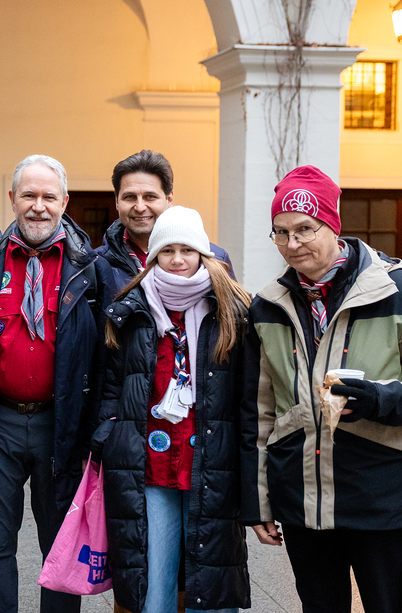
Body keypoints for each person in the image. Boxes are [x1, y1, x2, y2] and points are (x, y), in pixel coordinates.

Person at [241, 165, 402, 613]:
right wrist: (257, 501)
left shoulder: (398, 290)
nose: (292, 244)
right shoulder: (266, 306)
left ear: (332, 225)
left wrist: (380, 399)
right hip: (301, 500)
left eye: (305, 229)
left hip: (381, 498)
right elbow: (258, 413)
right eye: (281, 232)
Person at [0, 154, 113, 613]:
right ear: (12, 198)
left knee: (60, 544)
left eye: (49, 197)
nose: (38, 206)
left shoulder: (90, 269)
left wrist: (94, 433)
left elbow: (105, 359)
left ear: (64, 201)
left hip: (61, 426)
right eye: (29, 195)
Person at [92, 206, 251, 613]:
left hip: (211, 463)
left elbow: (247, 394)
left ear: (202, 253)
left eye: (187, 250)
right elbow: (111, 384)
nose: (177, 260)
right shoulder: (130, 309)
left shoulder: (232, 309)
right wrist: (108, 437)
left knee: (210, 579)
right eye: (167, 251)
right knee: (152, 581)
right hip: (150, 463)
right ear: (153, 257)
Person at [96, 150, 233, 289]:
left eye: (150, 197)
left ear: (169, 199)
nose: (140, 207)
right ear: (117, 202)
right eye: (129, 197)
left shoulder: (216, 259)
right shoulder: (95, 264)